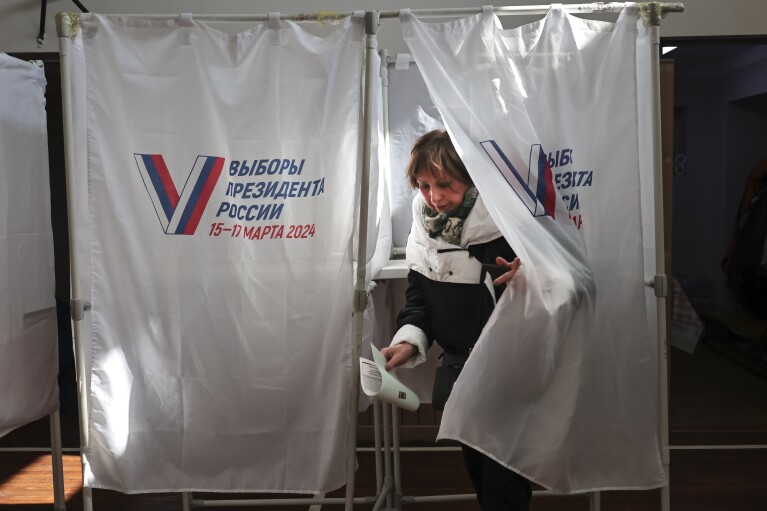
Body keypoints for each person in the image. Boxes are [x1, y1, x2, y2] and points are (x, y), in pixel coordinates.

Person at [380, 129, 531, 510]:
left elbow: (567, 283)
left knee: (504, 483)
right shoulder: (425, 227)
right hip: (459, 368)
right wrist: (408, 340)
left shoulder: (508, 224)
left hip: (506, 369)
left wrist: (530, 278)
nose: (433, 197)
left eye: (444, 184)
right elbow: (420, 297)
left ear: (472, 177)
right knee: (479, 472)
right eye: (424, 185)